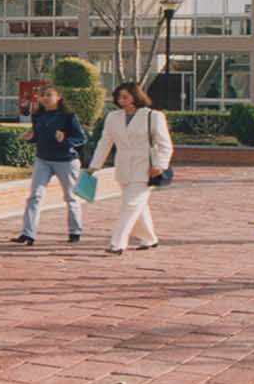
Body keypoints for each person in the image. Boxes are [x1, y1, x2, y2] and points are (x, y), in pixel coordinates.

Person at [86, 81, 173, 255]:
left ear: (136, 96)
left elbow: (165, 145)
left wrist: (160, 165)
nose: (122, 100)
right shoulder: (113, 117)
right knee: (137, 206)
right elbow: (105, 143)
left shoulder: (153, 116)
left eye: (125, 96)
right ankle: (149, 238)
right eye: (119, 97)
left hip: (145, 168)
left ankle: (117, 243)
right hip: (123, 167)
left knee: (130, 204)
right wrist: (94, 165)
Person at [11, 84, 87, 245]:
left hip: (66, 161)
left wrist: (65, 140)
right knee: (34, 196)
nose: (45, 98)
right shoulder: (38, 115)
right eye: (42, 95)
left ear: (58, 97)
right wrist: (30, 138)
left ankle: (75, 232)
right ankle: (28, 234)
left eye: (49, 94)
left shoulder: (68, 116)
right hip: (43, 160)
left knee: (70, 197)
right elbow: (38, 136)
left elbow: (81, 138)